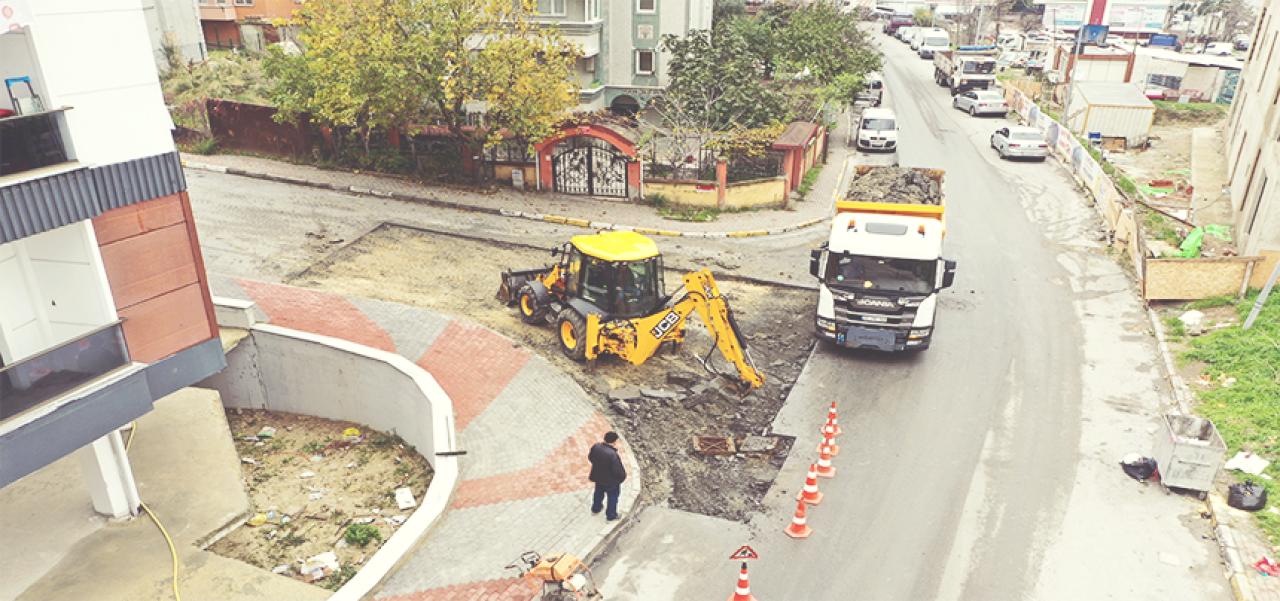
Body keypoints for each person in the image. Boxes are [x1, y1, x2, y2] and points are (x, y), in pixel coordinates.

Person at [588, 431, 626, 521]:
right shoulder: (613, 455)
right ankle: (611, 515)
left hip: (598, 477)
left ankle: (596, 508)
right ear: (614, 441)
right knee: (613, 496)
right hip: (611, 481)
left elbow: (590, 458)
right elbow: (618, 471)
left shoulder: (596, 447)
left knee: (598, 492)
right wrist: (622, 478)